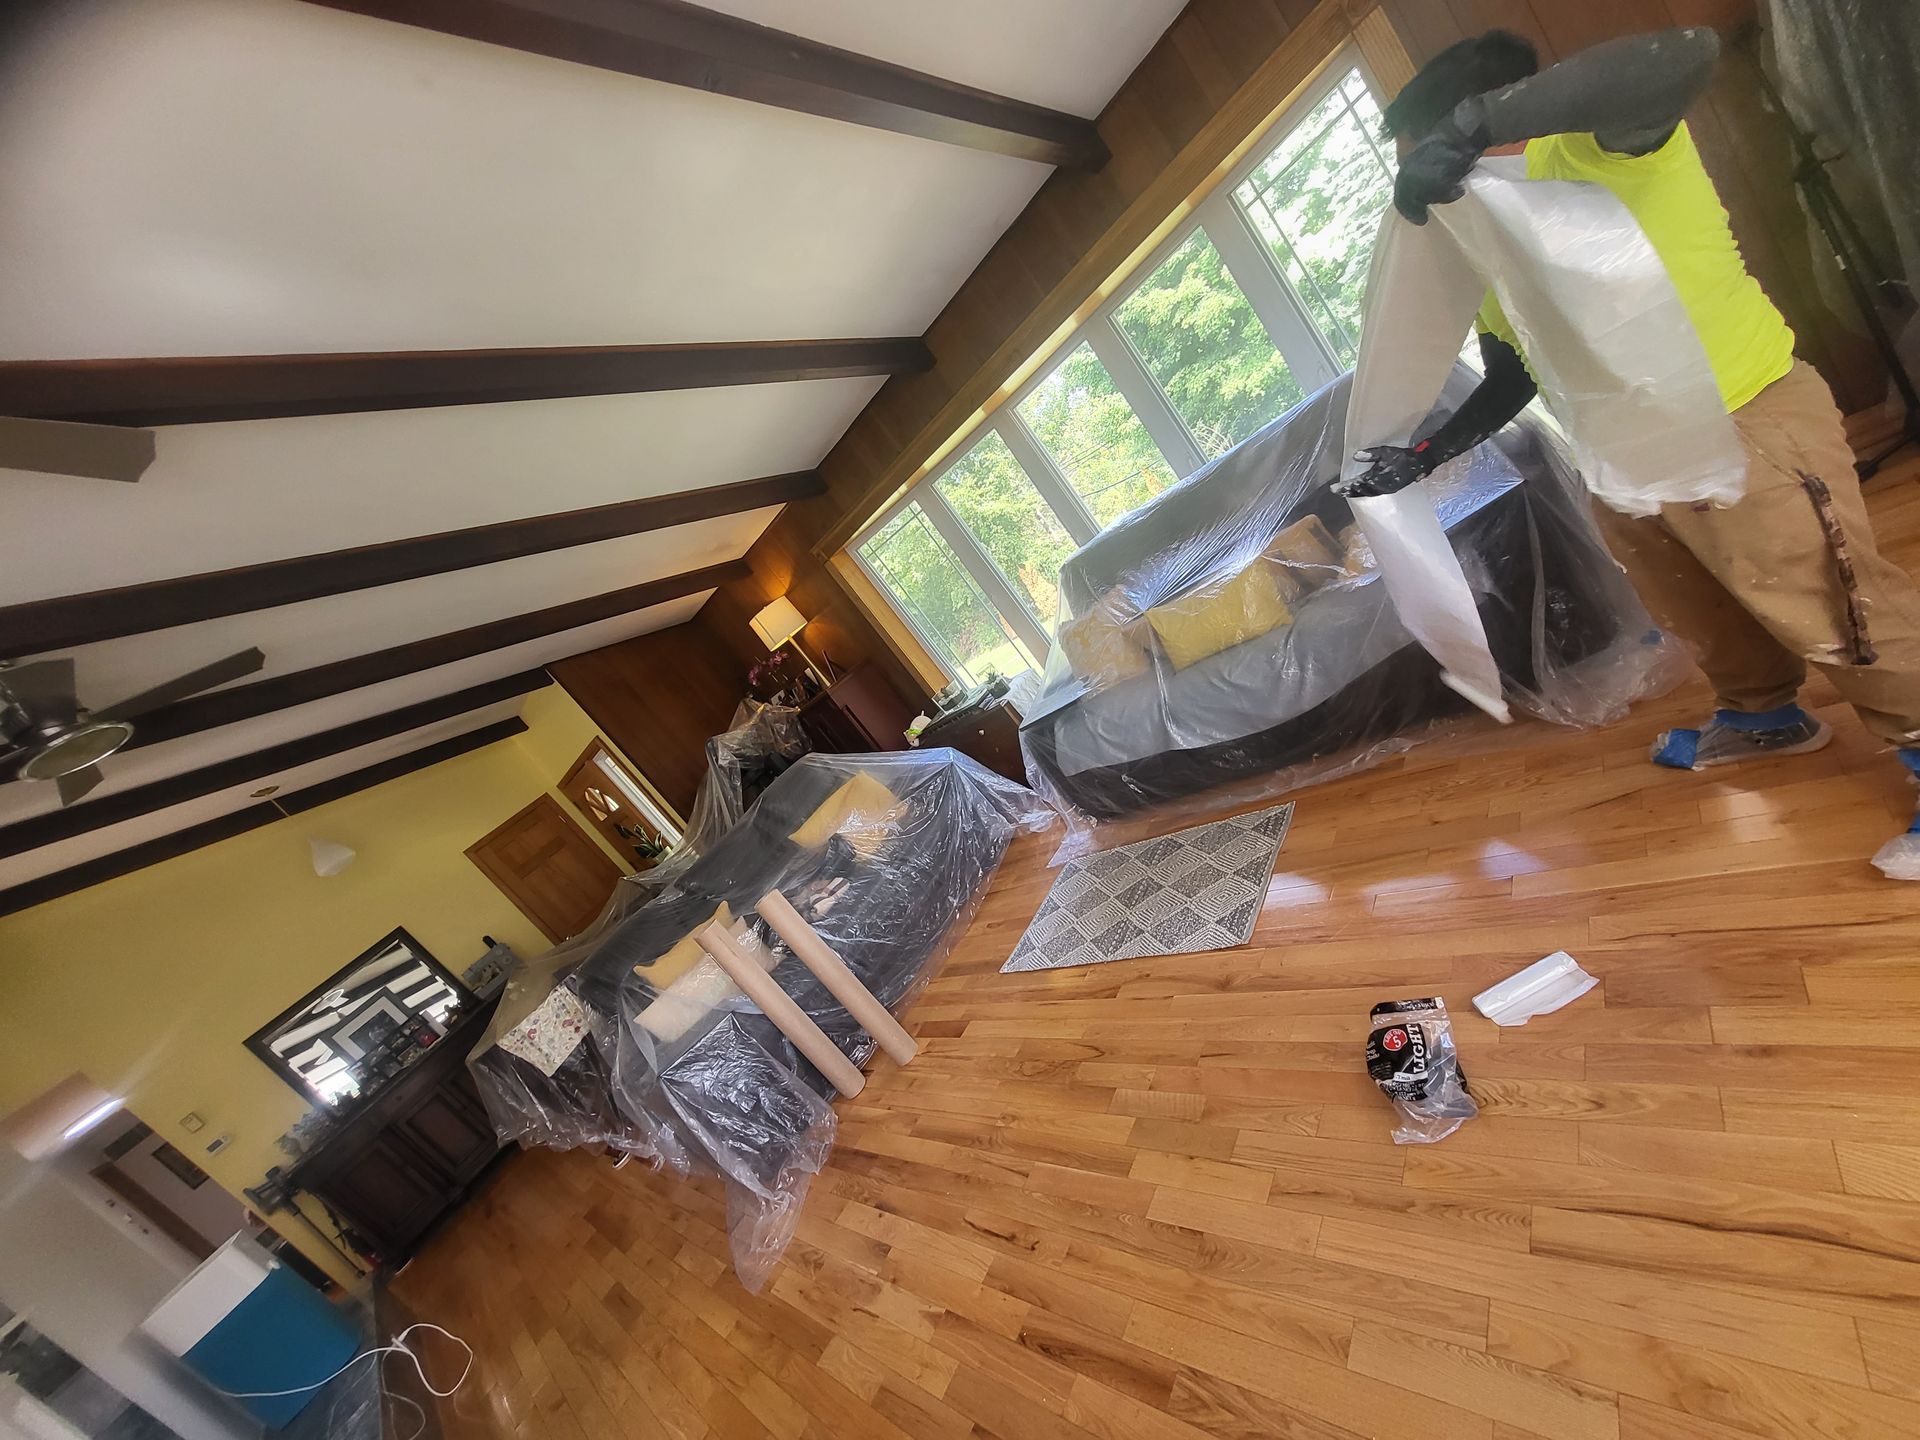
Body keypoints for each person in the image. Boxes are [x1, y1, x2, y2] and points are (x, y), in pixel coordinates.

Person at [1336, 26, 1920, 878]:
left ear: (1491, 121)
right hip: (1624, 453)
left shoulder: (1615, 147)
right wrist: (1424, 452)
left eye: (1435, 147)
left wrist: (1469, 124)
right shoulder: (1487, 234)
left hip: (1742, 415)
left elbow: (1685, 53)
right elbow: (1511, 371)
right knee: (1698, 603)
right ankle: (1764, 719)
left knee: (1828, 596)